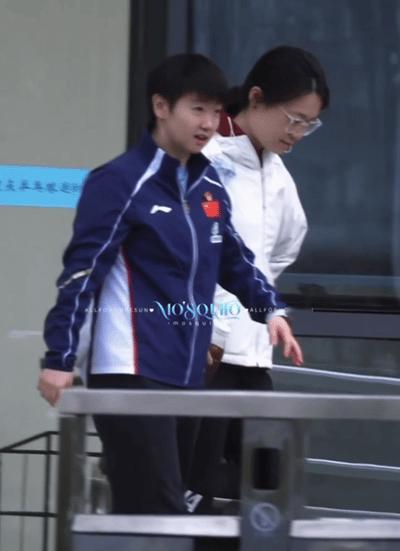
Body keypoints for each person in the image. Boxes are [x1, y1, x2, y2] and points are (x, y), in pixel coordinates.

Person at [37, 53, 303, 515]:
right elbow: (81, 275)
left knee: (163, 519)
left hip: (189, 376)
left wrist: (270, 310)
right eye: (197, 109)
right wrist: (59, 358)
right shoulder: (120, 181)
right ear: (161, 107)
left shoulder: (208, 186)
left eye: (215, 111)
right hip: (131, 372)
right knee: (161, 516)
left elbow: (233, 258)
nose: (209, 123)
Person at [186, 46, 329, 507]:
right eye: (294, 119)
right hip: (204, 353)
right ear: (256, 97)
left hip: (254, 357)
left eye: (310, 124)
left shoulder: (278, 174)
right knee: (197, 491)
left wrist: (255, 298)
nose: (299, 133)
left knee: (265, 493)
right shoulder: (206, 155)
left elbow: (284, 247)